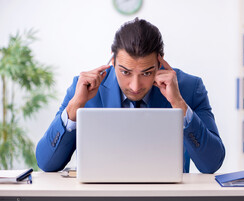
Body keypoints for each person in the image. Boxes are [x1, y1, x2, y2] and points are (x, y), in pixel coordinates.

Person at [36, 18, 225, 173]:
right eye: (125, 72)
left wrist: (179, 104)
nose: (135, 86)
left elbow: (211, 164)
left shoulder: (189, 88)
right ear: (112, 60)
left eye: (146, 73)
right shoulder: (84, 89)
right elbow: (46, 162)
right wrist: (75, 106)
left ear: (160, 62)